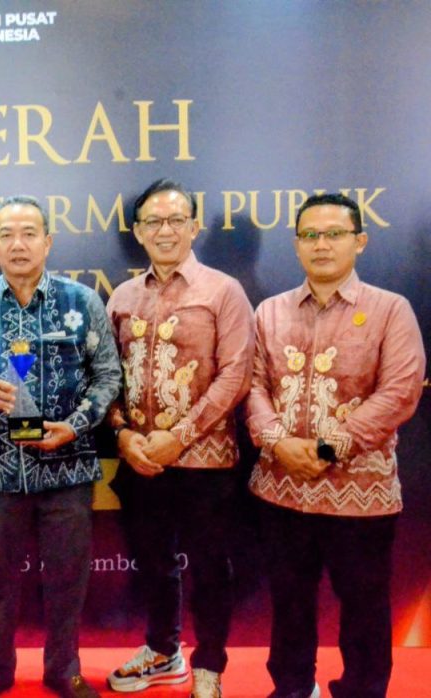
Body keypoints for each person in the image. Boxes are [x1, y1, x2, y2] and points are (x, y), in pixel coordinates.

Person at [247, 193, 424, 698]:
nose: (321, 244)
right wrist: (279, 443)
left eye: (334, 234)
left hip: (360, 495)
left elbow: (400, 391)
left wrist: (328, 448)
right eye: (310, 235)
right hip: (281, 490)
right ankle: (291, 687)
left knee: (364, 607)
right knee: (289, 602)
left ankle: (362, 689)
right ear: (296, 244)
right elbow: (252, 386)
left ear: (359, 241)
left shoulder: (390, 310)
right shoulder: (270, 311)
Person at [0, 196, 122, 698]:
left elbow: (108, 375)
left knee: (68, 580)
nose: (18, 243)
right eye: (7, 234)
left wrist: (76, 425)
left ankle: (63, 669)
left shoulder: (81, 302)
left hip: (67, 468)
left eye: (29, 233)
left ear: (48, 242)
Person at [104, 179, 254, 698]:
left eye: (175, 220)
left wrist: (181, 436)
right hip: (141, 460)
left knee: (211, 568)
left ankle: (209, 665)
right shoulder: (123, 296)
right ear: (138, 231)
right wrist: (123, 435)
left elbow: (236, 375)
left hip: (205, 463)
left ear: (193, 227)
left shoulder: (223, 291)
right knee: (152, 564)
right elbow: (107, 375)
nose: (164, 230)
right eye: (153, 221)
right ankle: (163, 652)